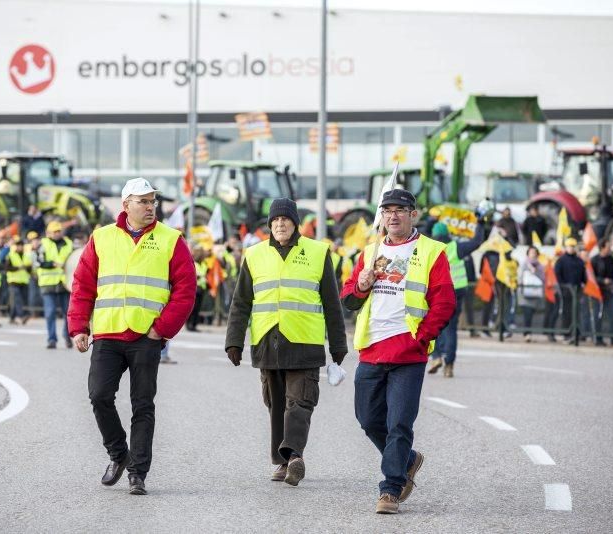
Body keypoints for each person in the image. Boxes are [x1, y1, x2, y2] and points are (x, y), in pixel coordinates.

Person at [68, 177, 196, 495]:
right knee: (99, 396)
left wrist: (162, 329)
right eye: (143, 201)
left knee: (143, 405)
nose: (150, 206)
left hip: (146, 336)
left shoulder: (171, 239)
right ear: (126, 205)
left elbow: (186, 289)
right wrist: (79, 327)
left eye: (153, 201)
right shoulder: (101, 238)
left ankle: (138, 472)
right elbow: (83, 285)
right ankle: (119, 455)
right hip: (109, 332)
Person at [341, 189, 455, 514]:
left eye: (400, 210)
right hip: (372, 351)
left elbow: (444, 301)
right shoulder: (370, 250)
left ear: (412, 215)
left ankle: (391, 489)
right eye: (388, 210)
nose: (393, 216)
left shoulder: (431, 251)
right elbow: (348, 298)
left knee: (399, 424)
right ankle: (409, 460)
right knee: (367, 419)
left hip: (409, 352)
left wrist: (422, 339)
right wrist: (361, 284)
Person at [225, 198, 347, 487]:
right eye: (275, 220)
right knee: (275, 403)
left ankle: (293, 455)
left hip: (304, 340)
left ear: (295, 224)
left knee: (301, 401)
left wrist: (338, 343)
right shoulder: (253, 255)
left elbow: (331, 302)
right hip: (268, 339)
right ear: (269, 225)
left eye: (286, 220)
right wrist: (234, 340)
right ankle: (281, 462)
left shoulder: (317, 253)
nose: (280, 224)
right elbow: (241, 302)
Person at [428, 221, 484, 377]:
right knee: (451, 328)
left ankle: (436, 356)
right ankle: (449, 365)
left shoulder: (430, 249)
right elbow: (477, 242)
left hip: (438, 292)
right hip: (457, 291)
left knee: (434, 326)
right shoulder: (456, 247)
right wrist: (480, 223)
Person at [38, 221, 73, 349]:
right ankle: (52, 339)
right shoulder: (43, 244)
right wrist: (53, 264)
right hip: (48, 284)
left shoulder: (69, 244)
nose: (57, 234)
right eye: (55, 232)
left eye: (59, 231)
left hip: (64, 283)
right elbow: (38, 261)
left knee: (68, 312)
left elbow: (74, 260)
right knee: (50, 312)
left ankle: (67, 335)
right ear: (49, 233)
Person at [554, 237, 586, 343]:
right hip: (566, 291)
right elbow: (558, 274)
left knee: (576, 313)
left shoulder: (579, 261)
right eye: (569, 246)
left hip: (577, 291)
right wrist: (564, 286)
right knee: (567, 313)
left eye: (573, 246)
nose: (571, 248)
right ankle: (566, 333)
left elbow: (583, 275)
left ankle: (576, 332)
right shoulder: (561, 260)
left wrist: (583, 283)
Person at [591, 239, 613, 347]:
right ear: (602, 248)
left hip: (610, 291)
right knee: (597, 316)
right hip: (598, 292)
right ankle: (598, 339)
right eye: (608, 246)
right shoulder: (594, 260)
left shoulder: (612, 260)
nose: (610, 248)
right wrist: (602, 281)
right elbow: (591, 277)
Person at [517, 246, 546, 342]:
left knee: (532, 313)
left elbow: (543, 278)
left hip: (535, 292)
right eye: (531, 252)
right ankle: (527, 333)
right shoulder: (524, 264)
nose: (533, 254)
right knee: (527, 313)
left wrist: (536, 272)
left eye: (534, 253)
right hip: (525, 293)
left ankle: (528, 332)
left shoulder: (540, 266)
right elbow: (520, 277)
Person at [5, 236, 32, 324]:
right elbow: (7, 268)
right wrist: (18, 268)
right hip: (13, 281)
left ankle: (12, 317)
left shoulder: (26, 256)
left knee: (18, 300)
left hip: (23, 281)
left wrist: (27, 267)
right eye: (18, 245)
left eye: (21, 245)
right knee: (17, 299)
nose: (20, 247)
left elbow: (29, 269)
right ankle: (21, 316)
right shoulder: (11, 255)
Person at [186, 244, 207, 332]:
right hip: (195, 288)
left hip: (201, 288)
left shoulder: (204, 264)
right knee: (193, 308)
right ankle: (189, 324)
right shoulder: (193, 262)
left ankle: (194, 324)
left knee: (197, 308)